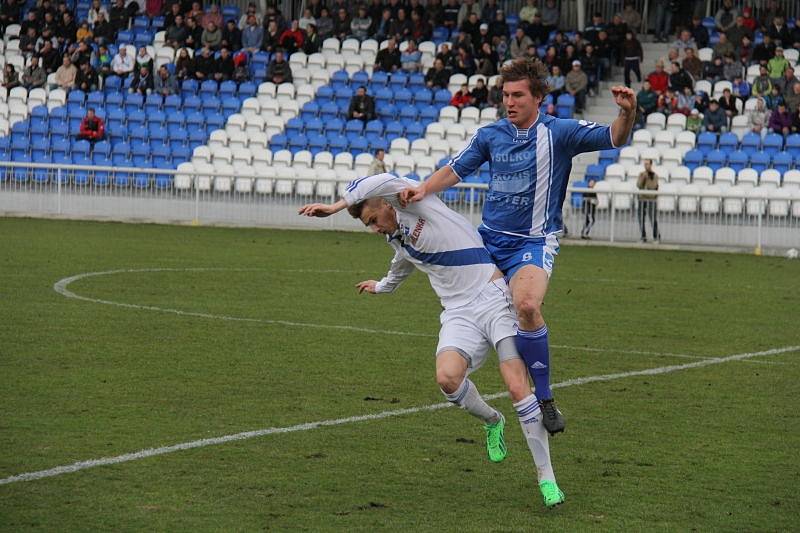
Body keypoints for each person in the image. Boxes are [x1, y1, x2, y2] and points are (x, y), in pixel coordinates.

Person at [298, 173, 566, 509]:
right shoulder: (397, 237)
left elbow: (378, 179)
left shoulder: (415, 200)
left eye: (372, 219)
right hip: (457, 313)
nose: (374, 228)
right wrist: (381, 286)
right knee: (447, 379)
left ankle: (546, 478)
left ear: (384, 201)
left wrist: (335, 206)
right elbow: (402, 264)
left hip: (494, 297)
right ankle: (492, 420)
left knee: (516, 386)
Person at [399, 58, 637, 434]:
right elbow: (455, 169)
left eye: (518, 95)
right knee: (471, 308)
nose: (509, 102)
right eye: (505, 95)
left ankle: (544, 397)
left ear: (539, 97)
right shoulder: (490, 135)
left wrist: (627, 113)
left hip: (533, 242)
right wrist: (423, 188)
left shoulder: (559, 132)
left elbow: (614, 137)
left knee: (526, 305)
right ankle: (474, 371)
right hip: (487, 243)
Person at [636, 160, 659, 243]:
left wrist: (648, 178)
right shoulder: (641, 174)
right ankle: (643, 236)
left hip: (651, 200)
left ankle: (656, 237)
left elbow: (653, 187)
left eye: (647, 164)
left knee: (652, 218)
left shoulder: (654, 175)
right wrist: (643, 178)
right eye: (645, 164)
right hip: (642, 199)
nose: (646, 166)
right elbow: (639, 185)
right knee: (641, 218)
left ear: (651, 165)